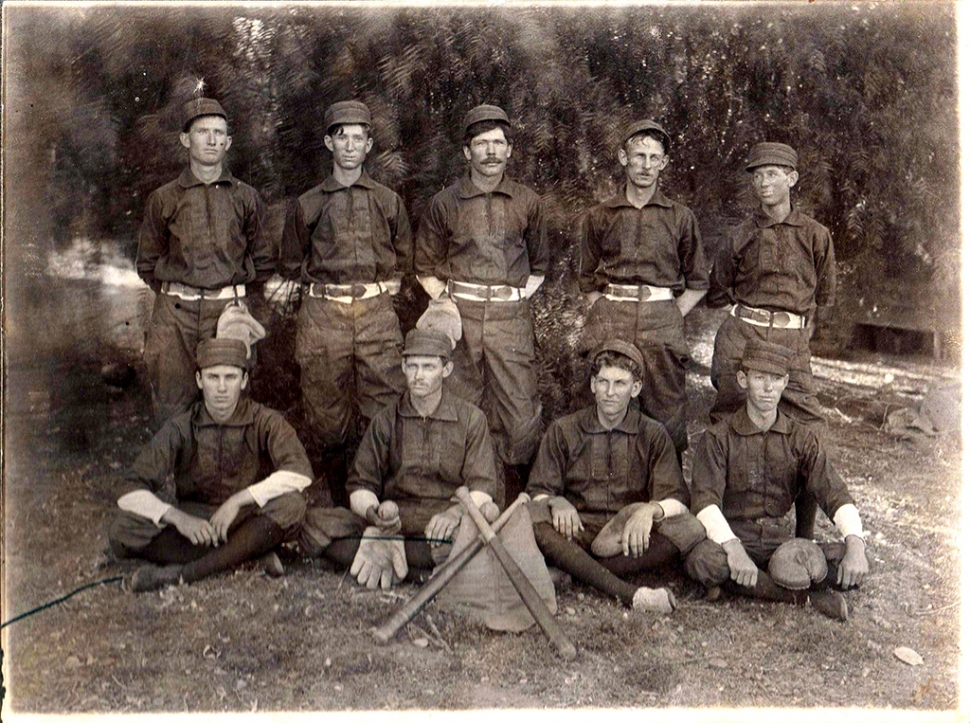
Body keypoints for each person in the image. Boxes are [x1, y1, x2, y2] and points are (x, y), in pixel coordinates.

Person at [279, 100, 412, 508]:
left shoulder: (388, 201)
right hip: (324, 315)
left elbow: (404, 256)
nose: (350, 146)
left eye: (359, 138)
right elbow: (289, 260)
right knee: (326, 408)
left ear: (369, 145)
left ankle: (381, 495)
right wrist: (326, 285)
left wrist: (379, 289)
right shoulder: (309, 203)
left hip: (375, 314)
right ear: (328, 143)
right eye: (342, 137)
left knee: (385, 403)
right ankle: (340, 502)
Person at [414, 104, 548, 502]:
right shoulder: (446, 203)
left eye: (498, 143)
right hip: (461, 315)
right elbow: (425, 265)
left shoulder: (527, 201)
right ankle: (459, 503)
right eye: (481, 143)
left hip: (510, 317)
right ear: (466, 151)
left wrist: (517, 297)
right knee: (457, 404)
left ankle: (519, 505)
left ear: (509, 150)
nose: (491, 151)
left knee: (521, 413)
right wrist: (445, 302)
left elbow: (539, 265)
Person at [298, 329, 500, 588]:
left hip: (442, 523)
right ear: (403, 366)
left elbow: (482, 487)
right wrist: (375, 514)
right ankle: (419, 569)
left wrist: (455, 513)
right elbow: (361, 484)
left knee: (475, 536)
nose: (418, 376)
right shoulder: (386, 420)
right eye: (412, 366)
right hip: (394, 521)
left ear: (446, 369)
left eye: (428, 367)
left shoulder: (471, 419)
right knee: (313, 524)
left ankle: (391, 560)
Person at [685, 339, 869, 621]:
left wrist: (856, 545)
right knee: (704, 561)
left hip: (779, 542)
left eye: (775, 379)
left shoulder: (801, 437)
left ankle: (746, 585)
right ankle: (801, 596)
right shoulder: (718, 437)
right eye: (759, 378)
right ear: (743, 380)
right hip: (734, 537)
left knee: (848, 559)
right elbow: (705, 503)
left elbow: (834, 491)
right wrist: (734, 550)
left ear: (785, 382)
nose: (768, 388)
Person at [109, 338, 312, 592]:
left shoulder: (265, 421)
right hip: (197, 524)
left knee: (292, 505)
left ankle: (184, 573)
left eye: (230, 377)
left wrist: (237, 501)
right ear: (199, 380)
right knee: (122, 527)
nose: (222, 388)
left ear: (244, 381)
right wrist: (179, 518)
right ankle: (245, 557)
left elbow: (300, 472)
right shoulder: (181, 427)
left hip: (246, 519)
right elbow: (129, 487)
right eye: (213, 377)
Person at [526, 340, 707, 613]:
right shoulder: (564, 429)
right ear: (592, 385)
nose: (610, 392)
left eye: (620, 383)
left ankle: (575, 571)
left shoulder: (652, 433)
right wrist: (555, 502)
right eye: (603, 382)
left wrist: (650, 510)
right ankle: (629, 593)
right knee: (530, 514)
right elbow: (537, 490)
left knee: (690, 527)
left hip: (625, 536)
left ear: (635, 388)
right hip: (576, 532)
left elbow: (677, 498)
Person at [137, 97, 275, 427]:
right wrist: (182, 291)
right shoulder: (164, 198)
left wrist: (229, 293)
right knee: (174, 409)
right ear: (186, 139)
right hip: (175, 318)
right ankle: (183, 480)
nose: (212, 140)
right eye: (202, 131)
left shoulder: (246, 197)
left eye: (219, 133)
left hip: (227, 314)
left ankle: (227, 480)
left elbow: (264, 260)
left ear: (228, 142)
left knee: (228, 407)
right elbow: (147, 263)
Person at [579, 119, 708, 454]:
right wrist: (601, 307)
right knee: (605, 400)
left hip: (660, 317)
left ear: (663, 163)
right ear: (624, 158)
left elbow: (697, 281)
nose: (646, 165)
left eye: (654, 158)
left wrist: (671, 313)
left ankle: (667, 496)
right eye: (639, 156)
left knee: (665, 406)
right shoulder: (601, 215)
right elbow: (585, 274)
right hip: (612, 316)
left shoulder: (679, 217)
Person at [706, 142, 836, 425]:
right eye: (757, 176)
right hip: (742, 339)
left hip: (791, 343)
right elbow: (717, 289)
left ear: (791, 179)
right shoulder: (740, 236)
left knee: (808, 426)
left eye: (772, 174)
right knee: (731, 422)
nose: (763, 183)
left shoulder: (816, 235)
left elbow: (824, 295)